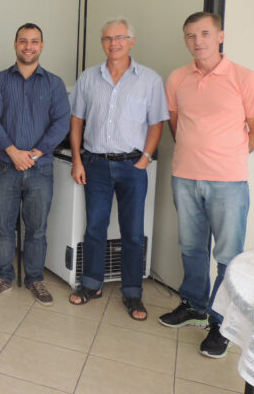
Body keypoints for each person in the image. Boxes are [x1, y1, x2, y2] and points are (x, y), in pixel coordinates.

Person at [159, 11, 254, 358]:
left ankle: (221, 324)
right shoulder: (177, 78)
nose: (197, 41)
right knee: (191, 247)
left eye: (204, 33)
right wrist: (197, 153)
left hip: (228, 182)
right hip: (185, 177)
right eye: (190, 35)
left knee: (228, 256)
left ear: (220, 36)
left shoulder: (244, 77)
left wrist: (228, 154)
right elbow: (176, 125)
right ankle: (194, 305)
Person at [68, 17, 167, 321]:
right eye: (108, 38)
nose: (114, 44)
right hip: (95, 164)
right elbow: (76, 121)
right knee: (95, 228)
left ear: (131, 42)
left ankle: (132, 292)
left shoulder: (149, 80)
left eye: (120, 38)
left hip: (132, 166)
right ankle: (91, 284)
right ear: (103, 43)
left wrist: (145, 158)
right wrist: (77, 159)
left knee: (133, 233)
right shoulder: (88, 78)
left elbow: (156, 123)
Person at [0, 23, 70, 304]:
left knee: (37, 229)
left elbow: (62, 122)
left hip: (40, 168)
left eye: (34, 41)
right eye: (23, 41)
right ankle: (3, 276)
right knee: (4, 227)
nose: (28, 46)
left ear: (41, 46)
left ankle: (35, 279)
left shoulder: (54, 84)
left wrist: (36, 153)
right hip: (4, 167)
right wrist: (13, 152)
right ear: (15, 44)